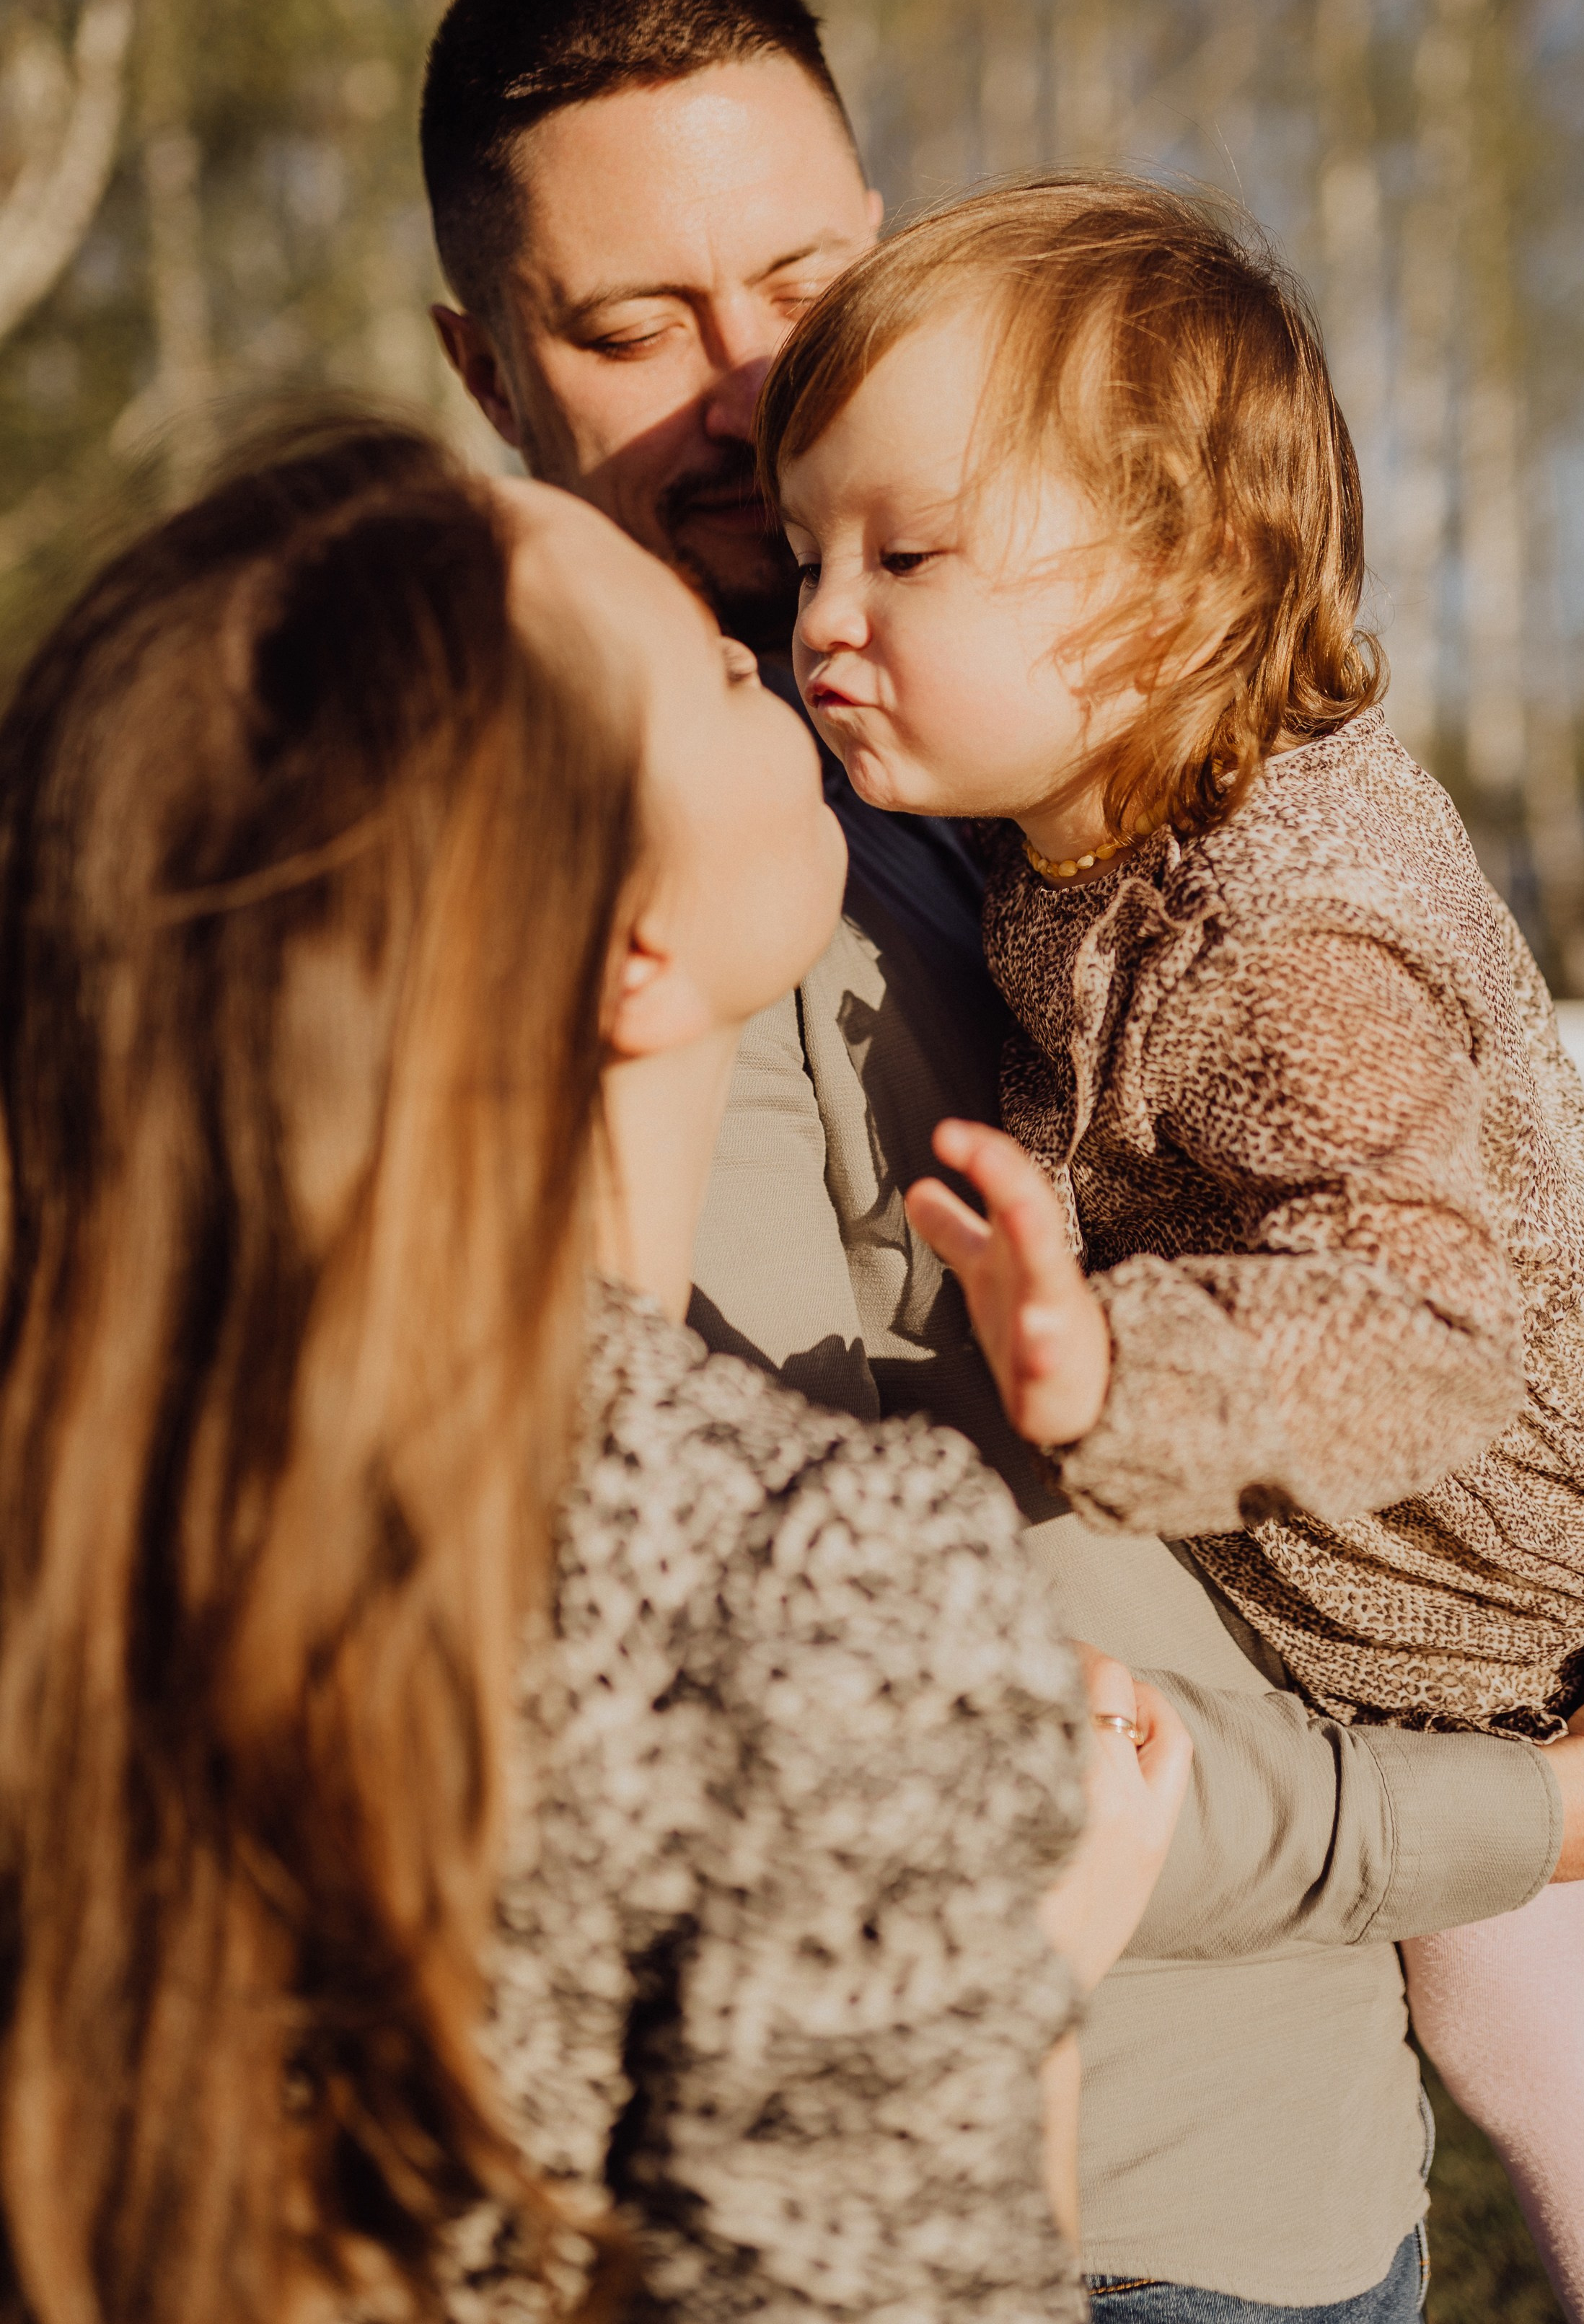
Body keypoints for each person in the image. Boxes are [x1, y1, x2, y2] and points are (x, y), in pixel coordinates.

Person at [421, 0, 1584, 2323]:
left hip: (1282, 2166)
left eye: (806, 276)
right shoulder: (505, 875)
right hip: (903, 2184)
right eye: (635, 330)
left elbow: (1434, 1233)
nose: (761, 390)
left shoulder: (1083, 748)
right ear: (486, 366)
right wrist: (1561, 1804)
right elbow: (778, 1672)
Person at [756, 170, 1584, 2324]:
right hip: (1380, 1569)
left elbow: (1423, 1323)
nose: (821, 622)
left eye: (907, 554)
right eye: (803, 559)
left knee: (1527, 2044)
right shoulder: (1099, 822)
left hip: (1478, 1583)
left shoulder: (1290, 920)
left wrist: (1110, 1367)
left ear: (1172, 585)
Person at [0, 405, 1195, 2324]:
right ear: (627, 946)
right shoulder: (818, 1575)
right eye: (722, 671)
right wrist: (1016, 1979)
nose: (790, 676)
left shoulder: (87, 1484)